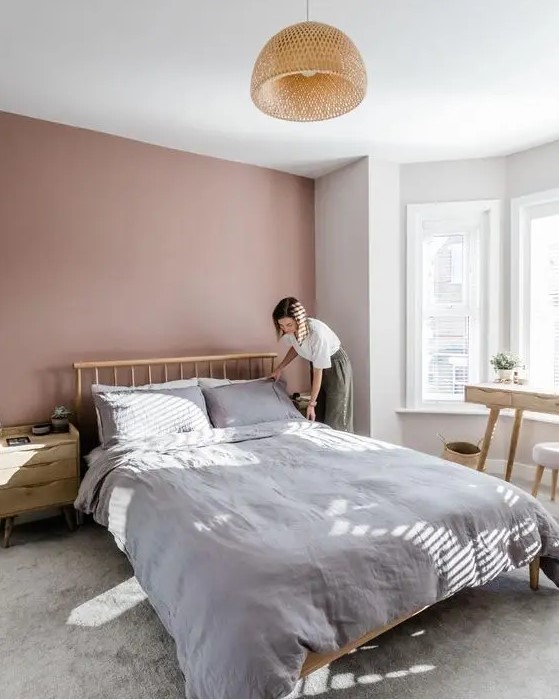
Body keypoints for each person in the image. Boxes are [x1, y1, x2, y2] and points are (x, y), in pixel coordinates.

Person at [271, 297, 353, 432]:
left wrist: (311, 403)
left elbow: (318, 371)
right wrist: (280, 368)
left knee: (336, 417)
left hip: (335, 365)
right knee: (319, 416)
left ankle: (341, 448)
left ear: (299, 320)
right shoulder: (292, 331)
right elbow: (295, 347)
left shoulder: (316, 333)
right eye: (282, 326)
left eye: (289, 325)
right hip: (317, 364)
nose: (285, 329)